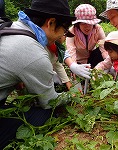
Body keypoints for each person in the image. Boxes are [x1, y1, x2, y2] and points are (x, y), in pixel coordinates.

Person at [0, 0, 91, 149]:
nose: (62, 35)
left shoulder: (11, 27)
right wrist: (72, 95)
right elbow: (49, 101)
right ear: (51, 23)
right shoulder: (33, 52)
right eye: (63, 30)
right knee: (44, 114)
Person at [65, 4, 108, 69]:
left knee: (101, 50)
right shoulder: (71, 32)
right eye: (83, 23)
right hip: (78, 61)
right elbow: (71, 50)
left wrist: (108, 62)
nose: (87, 26)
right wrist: (74, 67)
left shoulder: (98, 29)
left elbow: (104, 48)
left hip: (92, 58)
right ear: (78, 24)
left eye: (90, 23)